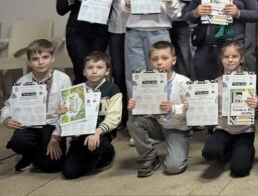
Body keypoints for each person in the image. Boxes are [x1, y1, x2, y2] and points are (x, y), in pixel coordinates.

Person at [120, 0, 181, 96]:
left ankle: (162, 109)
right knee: (134, 75)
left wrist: (170, 2)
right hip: (134, 33)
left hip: (159, 32)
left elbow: (176, 15)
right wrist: (127, 5)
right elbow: (122, 14)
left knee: (160, 75)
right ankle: (137, 111)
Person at [1, 39, 70, 172]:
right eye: (35, 59)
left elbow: (67, 112)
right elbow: (9, 105)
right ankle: (30, 155)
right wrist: (6, 119)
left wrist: (55, 137)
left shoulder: (63, 79)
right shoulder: (22, 81)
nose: (40, 62)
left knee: (51, 167)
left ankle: (39, 154)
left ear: (53, 59)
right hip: (29, 125)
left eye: (45, 57)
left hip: (52, 126)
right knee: (18, 140)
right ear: (29, 62)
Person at [126, 41, 191, 177]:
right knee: (133, 121)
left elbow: (191, 109)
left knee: (173, 168)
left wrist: (173, 108)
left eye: (164, 58)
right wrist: (135, 107)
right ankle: (150, 156)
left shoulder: (183, 82)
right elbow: (145, 108)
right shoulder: (145, 81)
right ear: (150, 62)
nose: (159, 63)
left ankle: (182, 143)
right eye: (155, 59)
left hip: (177, 128)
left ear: (173, 60)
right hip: (158, 125)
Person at [196, 41, 258, 178]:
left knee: (239, 170)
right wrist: (196, 106)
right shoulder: (216, 82)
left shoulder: (248, 80)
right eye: (226, 57)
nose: (230, 60)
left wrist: (257, 104)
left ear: (241, 59)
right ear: (221, 59)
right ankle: (230, 149)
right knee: (209, 153)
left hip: (244, 131)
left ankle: (246, 150)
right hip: (223, 129)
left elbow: (257, 102)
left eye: (234, 56)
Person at [61, 51, 121, 179]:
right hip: (80, 135)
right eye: (90, 68)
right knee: (70, 172)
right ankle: (89, 156)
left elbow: (114, 117)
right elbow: (70, 117)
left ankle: (108, 154)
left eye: (99, 67)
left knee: (100, 146)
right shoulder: (76, 90)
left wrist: (97, 132)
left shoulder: (112, 89)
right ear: (84, 71)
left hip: (102, 134)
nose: (94, 71)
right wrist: (63, 114)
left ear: (107, 71)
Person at [105, 0, 137, 123]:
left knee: (132, 73)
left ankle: (135, 116)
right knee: (117, 72)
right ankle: (121, 116)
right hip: (114, 29)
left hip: (133, 28)